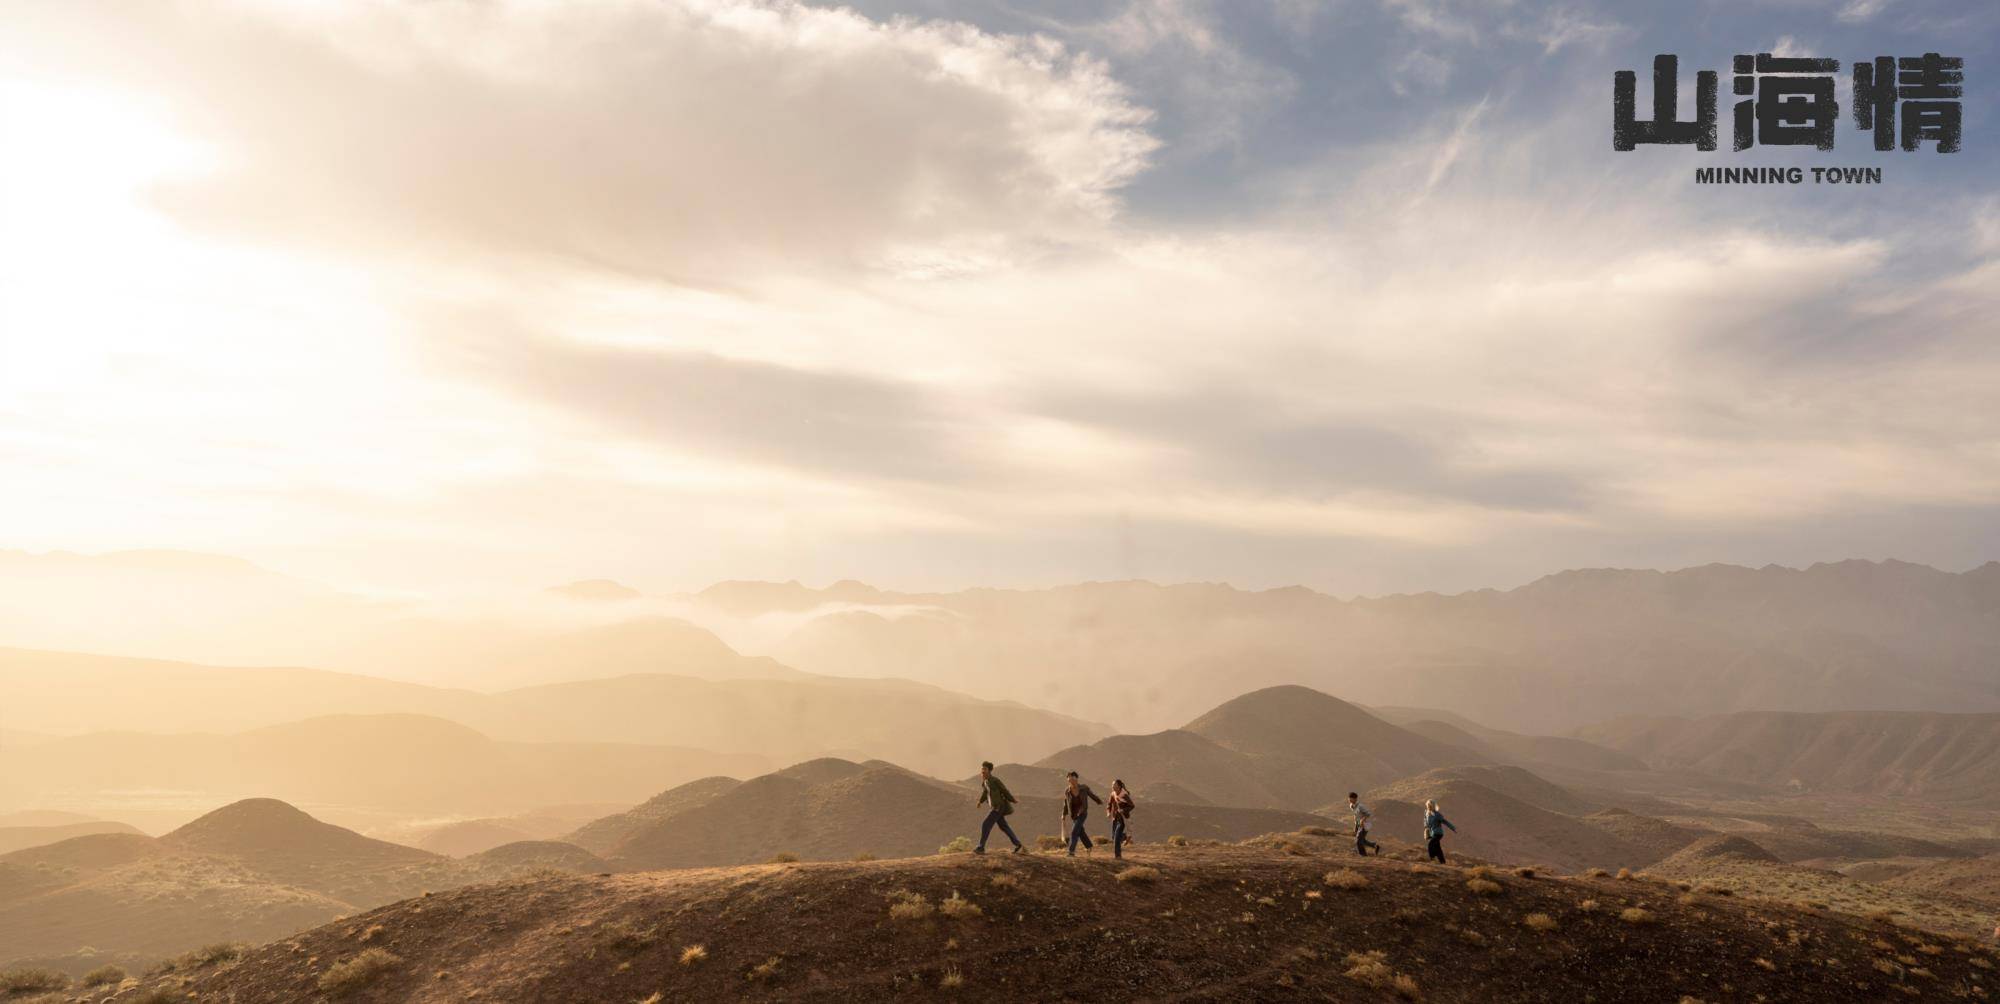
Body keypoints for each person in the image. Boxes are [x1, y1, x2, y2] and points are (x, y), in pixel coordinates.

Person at [974, 761, 1025, 854]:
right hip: (994, 807)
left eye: (985, 769)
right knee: (1004, 826)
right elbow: (985, 793)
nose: (982, 771)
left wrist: (1012, 799)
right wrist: (980, 802)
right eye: (982, 769)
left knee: (985, 824)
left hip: (998, 807)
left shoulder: (995, 780)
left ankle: (981, 847)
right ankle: (1018, 844)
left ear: (989, 771)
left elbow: (1004, 790)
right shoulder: (985, 782)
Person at [1060, 771, 1103, 856]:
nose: (1071, 781)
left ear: (1077, 779)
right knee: (1080, 832)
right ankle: (1089, 846)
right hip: (1074, 815)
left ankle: (1071, 852)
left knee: (1074, 832)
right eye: (1069, 780)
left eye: (1073, 779)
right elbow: (1066, 803)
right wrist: (1063, 814)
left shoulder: (1084, 788)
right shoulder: (1067, 791)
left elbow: (1091, 795)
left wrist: (1099, 801)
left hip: (1082, 813)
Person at [1105, 779, 1135, 859]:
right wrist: (1108, 812)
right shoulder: (1113, 794)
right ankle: (1125, 837)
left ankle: (1118, 856)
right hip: (1115, 818)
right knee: (1113, 837)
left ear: (1119, 786)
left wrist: (1123, 810)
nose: (1112, 787)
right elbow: (1109, 804)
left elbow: (1132, 805)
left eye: (1114, 785)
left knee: (1116, 837)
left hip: (1123, 818)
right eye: (1112, 785)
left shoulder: (1124, 795)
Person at [1422, 798, 1457, 864]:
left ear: (1433, 806)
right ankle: (1442, 862)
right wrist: (1426, 828)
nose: (1429, 806)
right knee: (1438, 848)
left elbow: (1445, 821)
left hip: (1438, 833)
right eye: (1428, 805)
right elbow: (1425, 821)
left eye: (1430, 805)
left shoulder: (1437, 814)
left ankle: (1432, 859)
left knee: (1431, 844)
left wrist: (1452, 828)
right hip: (1432, 833)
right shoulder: (1426, 813)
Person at [1346, 791, 1381, 856]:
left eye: (1351, 798)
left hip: (1364, 825)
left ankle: (1363, 855)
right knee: (1362, 840)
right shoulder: (1351, 806)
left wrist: (1362, 820)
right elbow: (1355, 814)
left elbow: (1368, 814)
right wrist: (1355, 824)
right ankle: (1375, 845)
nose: (1349, 800)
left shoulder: (1360, 806)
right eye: (1349, 798)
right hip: (1358, 824)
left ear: (1355, 799)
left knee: (1358, 841)